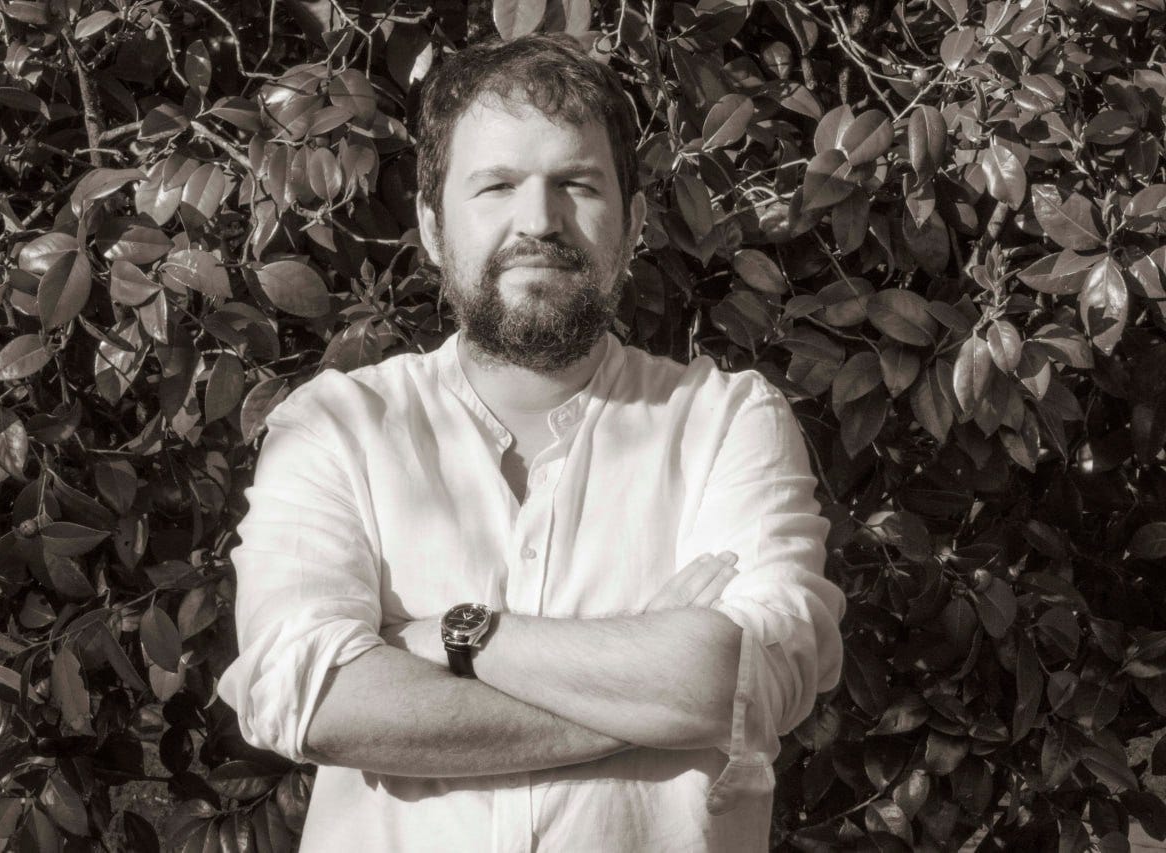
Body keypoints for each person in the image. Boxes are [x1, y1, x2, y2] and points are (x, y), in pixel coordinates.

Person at [218, 33, 846, 853]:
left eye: (575, 184)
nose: (539, 221)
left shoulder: (728, 422)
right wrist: (653, 689)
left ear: (634, 224)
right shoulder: (335, 428)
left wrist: (450, 636)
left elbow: (746, 676)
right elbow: (316, 699)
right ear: (433, 227)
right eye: (497, 185)